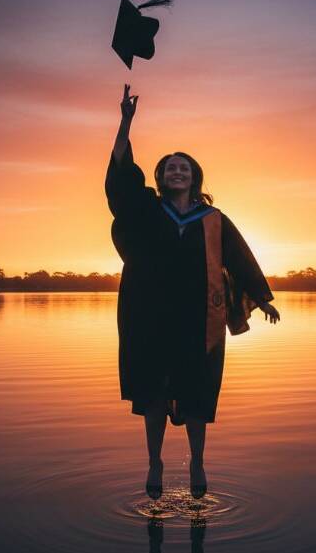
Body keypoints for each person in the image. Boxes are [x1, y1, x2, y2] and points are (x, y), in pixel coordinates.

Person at [105, 84, 280, 500]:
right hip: (150, 317)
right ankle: (154, 462)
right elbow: (121, 184)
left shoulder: (214, 218)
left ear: (195, 177)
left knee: (197, 393)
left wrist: (263, 297)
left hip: (200, 321)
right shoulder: (148, 210)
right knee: (153, 391)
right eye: (170, 168)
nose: (177, 172)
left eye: (184, 168)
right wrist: (125, 124)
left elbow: (239, 256)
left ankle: (198, 461)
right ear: (161, 177)